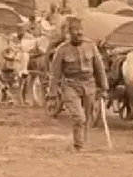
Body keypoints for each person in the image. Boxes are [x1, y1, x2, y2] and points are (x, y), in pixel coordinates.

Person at [47, 16, 109, 151]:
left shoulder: (91, 46)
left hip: (89, 86)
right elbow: (55, 74)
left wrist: (104, 88)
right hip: (70, 86)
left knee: (86, 117)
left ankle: (82, 142)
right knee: (78, 116)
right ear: (69, 32)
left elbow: (99, 69)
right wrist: (52, 95)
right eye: (75, 30)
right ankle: (78, 146)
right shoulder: (62, 50)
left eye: (81, 29)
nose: (79, 32)